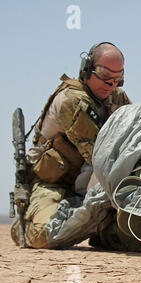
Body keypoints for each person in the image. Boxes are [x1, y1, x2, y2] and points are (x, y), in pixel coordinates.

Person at [10, 42, 131, 248]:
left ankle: (97, 229)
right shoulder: (71, 100)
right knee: (45, 235)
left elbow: (132, 132)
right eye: (103, 74)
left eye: (117, 79)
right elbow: (99, 156)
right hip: (53, 184)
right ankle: (25, 224)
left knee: (132, 232)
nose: (110, 84)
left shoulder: (116, 97)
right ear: (87, 68)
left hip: (90, 185)